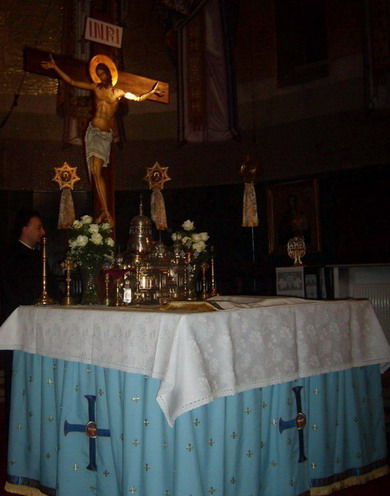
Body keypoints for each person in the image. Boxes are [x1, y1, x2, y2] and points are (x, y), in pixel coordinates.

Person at [41, 54, 164, 226]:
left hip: (104, 135)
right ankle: (105, 212)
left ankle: (106, 212)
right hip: (93, 131)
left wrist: (152, 91)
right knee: (94, 170)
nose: (100, 76)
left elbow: (137, 97)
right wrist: (55, 67)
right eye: (98, 73)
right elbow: (73, 82)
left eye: (103, 73)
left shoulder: (118, 92)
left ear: (109, 74)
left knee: (97, 171)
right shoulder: (96, 88)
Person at [0, 208, 61, 433]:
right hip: (17, 323)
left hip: (40, 325)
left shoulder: (38, 256)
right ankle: (14, 428)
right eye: (38, 227)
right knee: (17, 377)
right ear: (24, 229)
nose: (42, 232)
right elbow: (10, 290)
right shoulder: (8, 256)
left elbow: (51, 287)